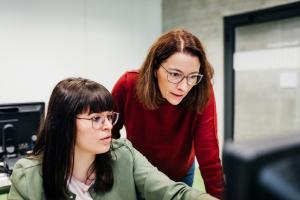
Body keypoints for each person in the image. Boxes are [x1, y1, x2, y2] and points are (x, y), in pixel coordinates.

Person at [8, 77, 218, 200]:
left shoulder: (124, 155)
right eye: (96, 118)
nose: (108, 125)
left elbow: (174, 193)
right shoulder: (28, 177)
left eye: (109, 116)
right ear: (65, 123)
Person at [112, 29, 224, 199]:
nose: (184, 87)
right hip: (139, 174)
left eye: (192, 76)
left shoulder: (201, 89)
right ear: (155, 67)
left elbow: (209, 155)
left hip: (180, 174)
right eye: (174, 74)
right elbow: (109, 132)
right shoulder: (128, 84)